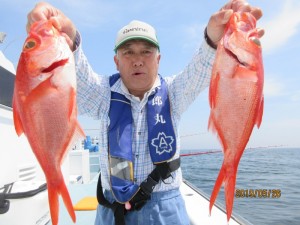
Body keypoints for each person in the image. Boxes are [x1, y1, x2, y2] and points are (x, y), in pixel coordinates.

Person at [26, 1, 263, 225]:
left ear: (158, 59)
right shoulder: (103, 94)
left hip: (165, 209)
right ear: (116, 61)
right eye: (128, 52)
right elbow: (78, 71)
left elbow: (200, 68)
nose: (137, 60)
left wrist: (213, 37)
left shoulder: (173, 92)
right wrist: (69, 34)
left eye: (146, 51)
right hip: (112, 208)